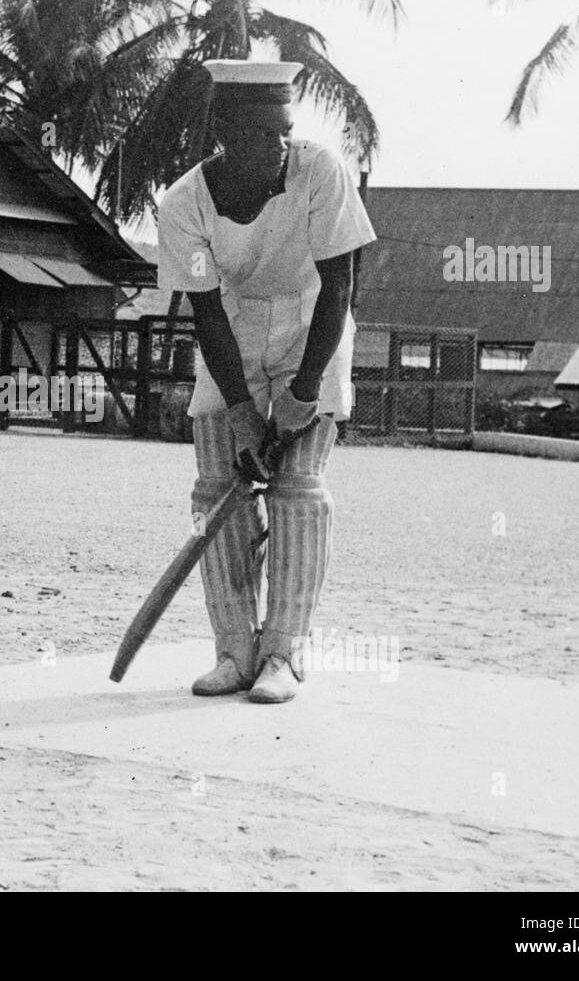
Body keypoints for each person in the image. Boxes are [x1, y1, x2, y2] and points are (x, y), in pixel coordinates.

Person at [156, 60, 376, 704]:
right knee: (217, 489)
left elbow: (339, 284)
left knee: (297, 490)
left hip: (316, 326)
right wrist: (246, 412)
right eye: (256, 135)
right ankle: (235, 650)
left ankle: (283, 652)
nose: (275, 147)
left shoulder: (320, 172)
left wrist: (302, 393)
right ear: (223, 132)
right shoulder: (184, 202)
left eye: (282, 130)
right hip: (233, 334)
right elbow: (205, 312)